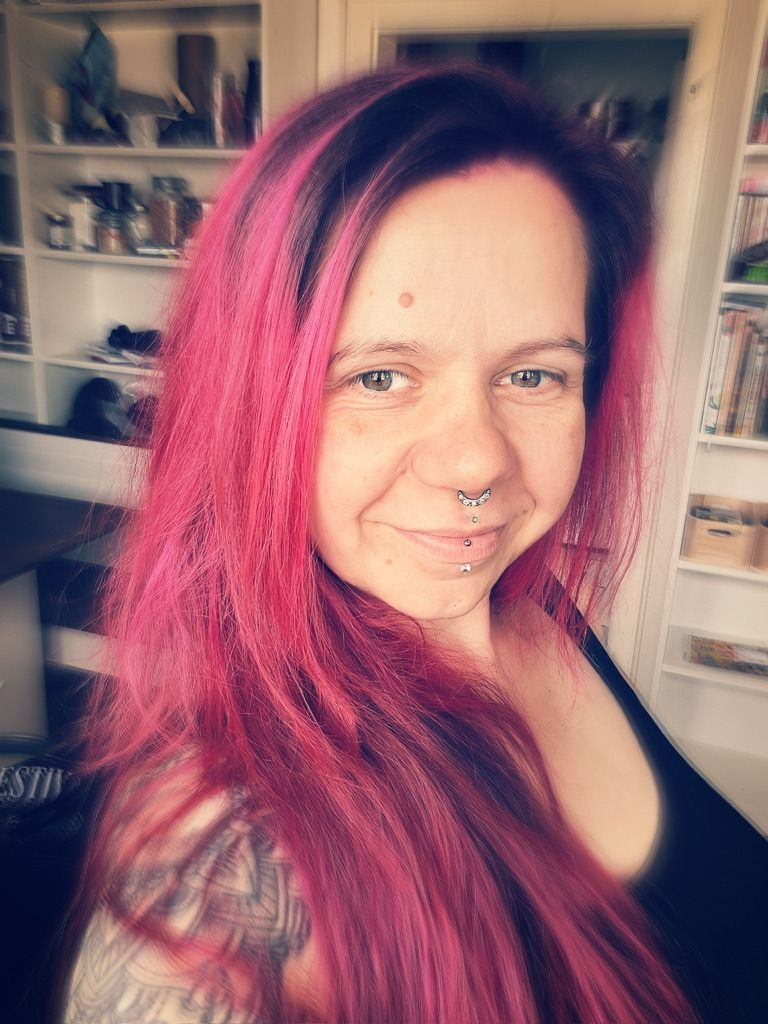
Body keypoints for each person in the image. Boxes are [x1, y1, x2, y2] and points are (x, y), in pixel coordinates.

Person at [55, 63, 766, 1024]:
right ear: (248, 407)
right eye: (379, 378)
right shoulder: (217, 850)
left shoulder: (536, 615)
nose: (478, 465)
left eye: (534, 375)